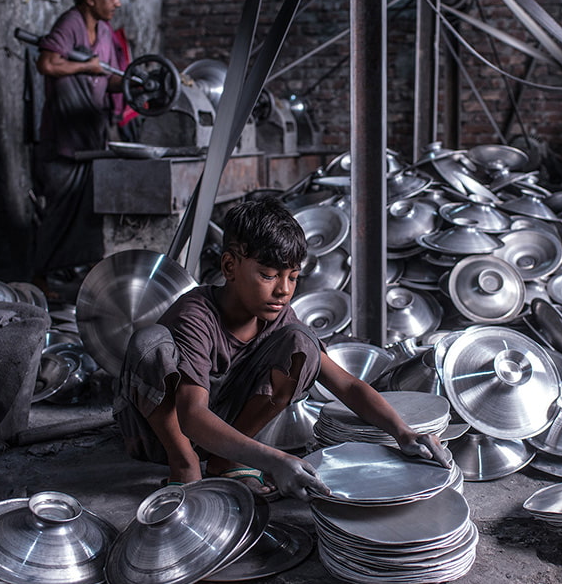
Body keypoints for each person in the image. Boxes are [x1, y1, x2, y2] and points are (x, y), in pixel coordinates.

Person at [113, 197, 453, 501]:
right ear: (229, 267)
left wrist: (403, 432)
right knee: (149, 342)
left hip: (226, 433)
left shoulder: (278, 317)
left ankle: (224, 461)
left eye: (293, 277)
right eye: (268, 275)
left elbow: (347, 385)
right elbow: (192, 416)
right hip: (164, 433)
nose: (283, 290)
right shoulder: (196, 315)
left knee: (301, 342)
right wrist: (275, 460)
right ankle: (185, 465)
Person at [32, 0, 124, 281]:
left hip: (91, 141)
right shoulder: (70, 23)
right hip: (63, 143)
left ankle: (73, 278)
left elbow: (110, 76)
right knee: (58, 214)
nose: (117, 2)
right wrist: (86, 67)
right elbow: (47, 63)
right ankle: (45, 279)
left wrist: (131, 83)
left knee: (87, 214)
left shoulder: (106, 32)